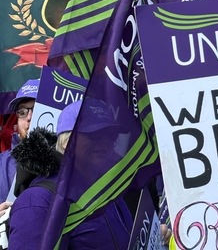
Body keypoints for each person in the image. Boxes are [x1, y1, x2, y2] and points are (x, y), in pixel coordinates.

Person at [8, 100, 134, 249]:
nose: (105, 142)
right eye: (94, 135)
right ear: (66, 143)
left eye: (110, 136)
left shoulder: (109, 191)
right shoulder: (38, 200)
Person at [0, 78, 39, 202]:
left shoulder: (71, 164)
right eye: (22, 112)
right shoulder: (2, 165)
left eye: (37, 108)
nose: (29, 117)